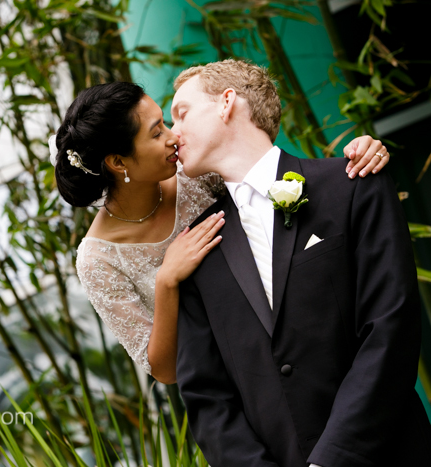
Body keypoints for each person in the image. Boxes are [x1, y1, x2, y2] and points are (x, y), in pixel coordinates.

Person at [172, 59, 431, 466]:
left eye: (181, 114)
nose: (173, 134)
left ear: (226, 103)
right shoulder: (195, 250)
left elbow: (390, 329)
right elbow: (207, 396)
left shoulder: (354, 186)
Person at [51, 81, 389, 385]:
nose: (173, 137)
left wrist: (354, 161)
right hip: (235, 386)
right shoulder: (97, 260)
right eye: (156, 133)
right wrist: (167, 280)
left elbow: (280, 184)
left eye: (167, 123)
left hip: (305, 339)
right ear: (119, 163)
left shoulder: (194, 171)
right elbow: (165, 370)